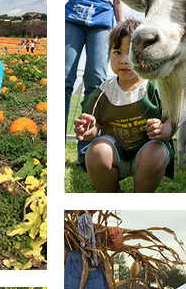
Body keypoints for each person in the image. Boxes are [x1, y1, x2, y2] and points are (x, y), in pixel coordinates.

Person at [74, 19, 175, 193]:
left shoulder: (155, 87)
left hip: (146, 152)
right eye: (117, 52)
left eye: (130, 53)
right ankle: (111, 195)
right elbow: (94, 127)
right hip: (115, 152)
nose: (123, 60)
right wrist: (88, 130)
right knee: (96, 152)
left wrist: (163, 130)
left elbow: (171, 120)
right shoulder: (103, 92)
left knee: (156, 152)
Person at [65, 0, 125, 162]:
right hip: (72, 17)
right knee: (64, 78)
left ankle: (86, 152)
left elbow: (118, 2)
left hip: (102, 19)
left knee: (96, 80)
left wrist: (122, 29)